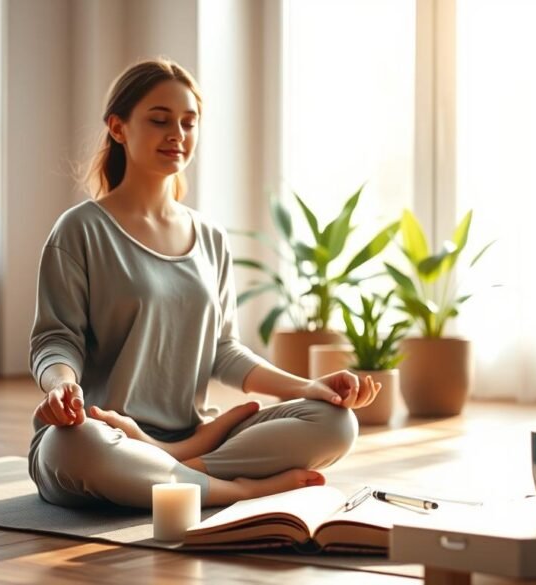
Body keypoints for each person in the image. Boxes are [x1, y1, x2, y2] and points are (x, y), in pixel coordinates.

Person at [27, 58, 380, 509]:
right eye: (159, 120)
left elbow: (224, 351)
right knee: (71, 447)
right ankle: (235, 490)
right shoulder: (80, 230)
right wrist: (61, 386)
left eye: (188, 123)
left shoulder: (210, 238)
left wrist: (307, 388)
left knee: (336, 424)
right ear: (118, 128)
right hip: (101, 434)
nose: (177, 134)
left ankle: (174, 467)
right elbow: (56, 339)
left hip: (194, 437)